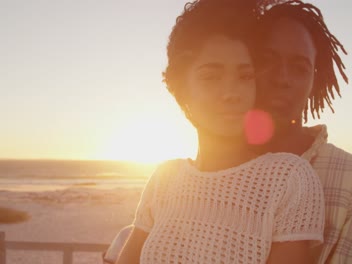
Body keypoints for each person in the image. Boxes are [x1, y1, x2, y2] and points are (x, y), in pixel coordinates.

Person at [115, 0, 325, 263]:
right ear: (180, 89)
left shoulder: (288, 180)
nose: (231, 93)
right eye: (211, 76)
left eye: (244, 76)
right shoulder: (164, 179)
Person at [253, 1, 352, 263]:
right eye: (267, 61)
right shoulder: (216, 165)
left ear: (315, 81)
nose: (283, 78)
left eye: (300, 68)